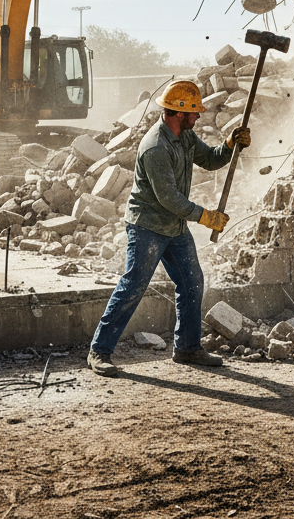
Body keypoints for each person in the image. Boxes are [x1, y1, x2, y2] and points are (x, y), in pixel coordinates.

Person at [86, 80, 251, 377]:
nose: (198, 117)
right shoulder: (155, 147)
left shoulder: (184, 137)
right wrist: (205, 217)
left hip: (173, 226)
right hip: (148, 225)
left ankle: (187, 348)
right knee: (134, 285)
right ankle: (99, 351)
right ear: (178, 113)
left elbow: (210, 160)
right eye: (194, 113)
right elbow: (169, 198)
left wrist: (229, 146)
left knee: (191, 282)